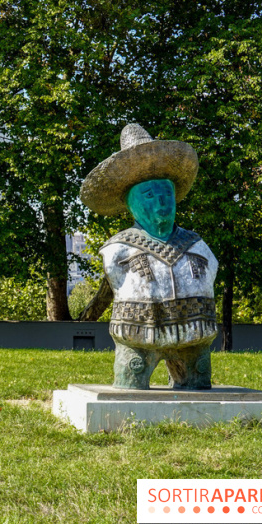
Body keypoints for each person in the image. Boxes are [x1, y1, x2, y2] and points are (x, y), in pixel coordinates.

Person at [80, 124, 218, 389]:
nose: (161, 202)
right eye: (149, 195)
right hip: (138, 338)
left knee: (198, 386)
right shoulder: (117, 250)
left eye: (166, 194)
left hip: (196, 338)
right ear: (131, 203)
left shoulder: (199, 246)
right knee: (129, 387)